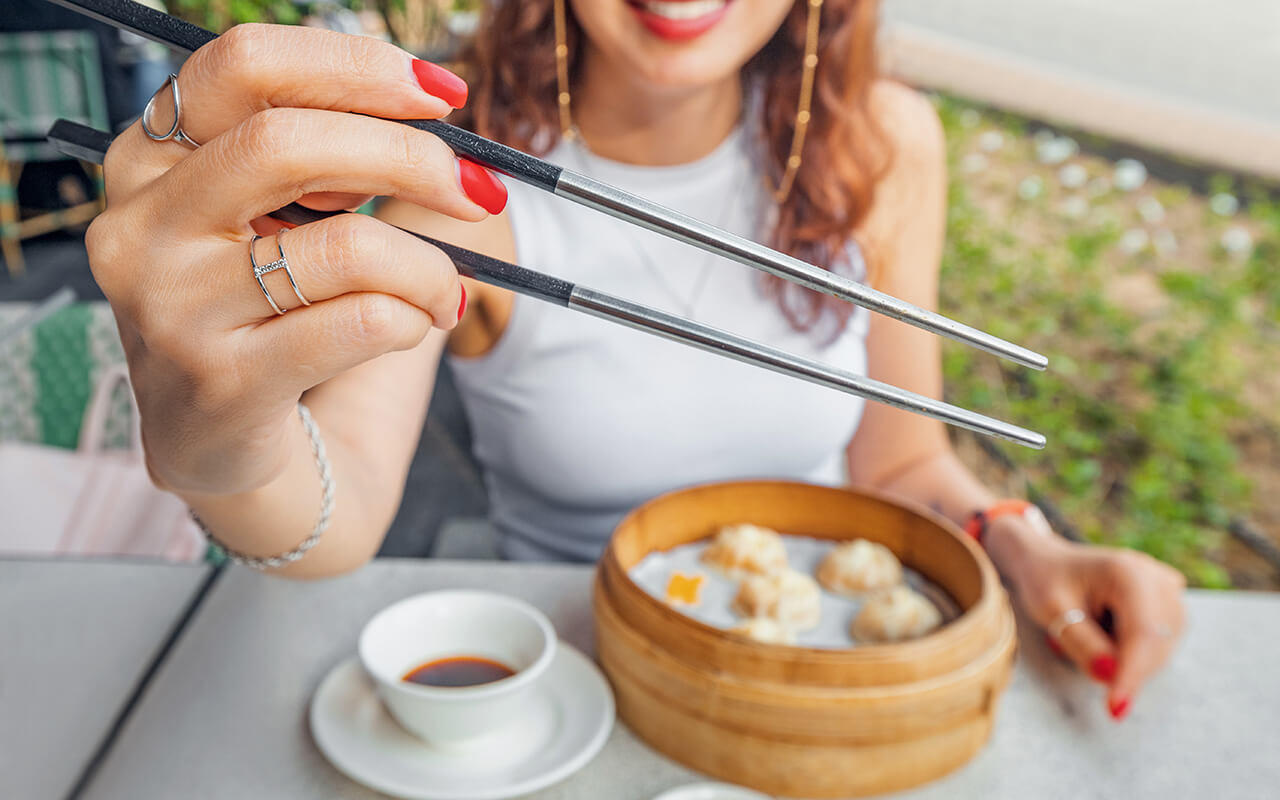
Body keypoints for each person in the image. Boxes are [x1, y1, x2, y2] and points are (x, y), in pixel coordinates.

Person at [85, 0, 1184, 720]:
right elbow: (339, 512)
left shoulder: (880, 141)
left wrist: (1022, 547)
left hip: (820, 684)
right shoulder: (451, 169)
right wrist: (219, 441)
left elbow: (899, 463)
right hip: (562, 689)